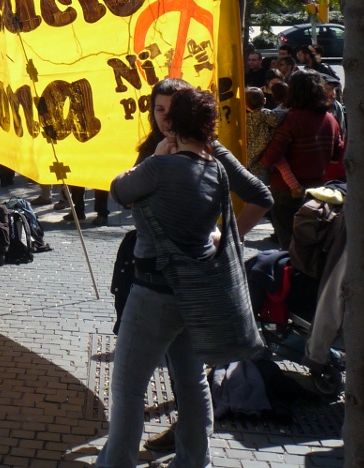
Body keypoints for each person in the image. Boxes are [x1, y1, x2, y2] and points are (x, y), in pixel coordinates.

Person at [97, 82, 272, 468]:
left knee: (128, 388)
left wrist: (228, 237)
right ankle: (196, 461)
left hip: (154, 290)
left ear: (177, 119)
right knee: (192, 380)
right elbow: (261, 195)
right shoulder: (214, 164)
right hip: (197, 291)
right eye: (156, 110)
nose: (161, 118)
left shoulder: (161, 162)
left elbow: (119, 191)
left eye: (166, 112)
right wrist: (221, 240)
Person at [257, 70, 344, 249]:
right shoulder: (330, 120)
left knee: (288, 244)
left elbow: (270, 158)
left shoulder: (290, 119)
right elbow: (337, 155)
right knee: (311, 245)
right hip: (318, 190)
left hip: (286, 191)